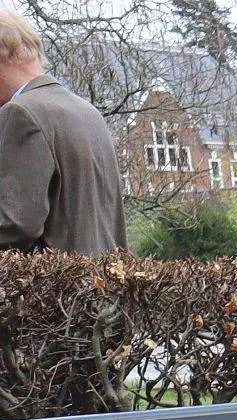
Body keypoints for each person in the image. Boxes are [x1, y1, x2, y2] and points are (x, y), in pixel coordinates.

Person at [0, 8, 127, 254]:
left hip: (54, 291)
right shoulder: (87, 112)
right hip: (102, 284)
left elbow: (13, 227)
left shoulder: (20, 113)